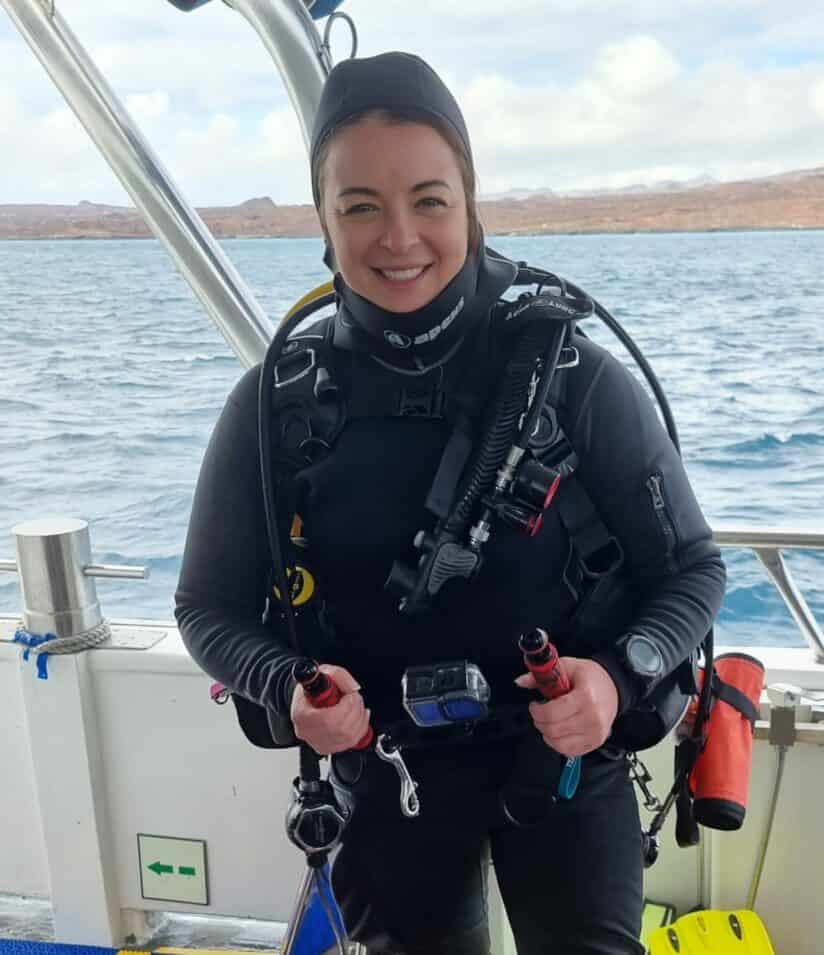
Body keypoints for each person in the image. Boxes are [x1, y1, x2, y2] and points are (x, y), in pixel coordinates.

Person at [176, 51, 726, 955]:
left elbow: (695, 571)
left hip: (566, 758)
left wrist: (615, 676)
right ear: (323, 219)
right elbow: (206, 607)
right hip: (383, 769)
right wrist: (289, 686)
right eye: (361, 205)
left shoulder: (573, 378)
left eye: (429, 199)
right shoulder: (279, 403)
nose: (399, 237)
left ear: (470, 203)